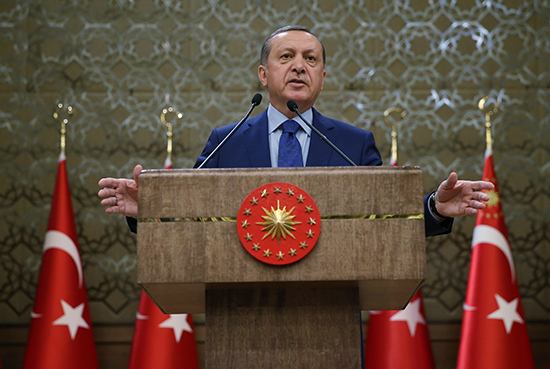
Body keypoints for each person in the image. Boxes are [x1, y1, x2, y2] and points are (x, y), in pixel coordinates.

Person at [98, 25, 494, 235]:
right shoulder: (227, 140)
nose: (299, 66)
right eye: (286, 57)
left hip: (332, 304)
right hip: (240, 305)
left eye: (311, 58)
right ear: (263, 74)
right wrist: (148, 212)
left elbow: (388, 221)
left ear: (323, 75)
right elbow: (194, 217)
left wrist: (435, 208)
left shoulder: (353, 144)